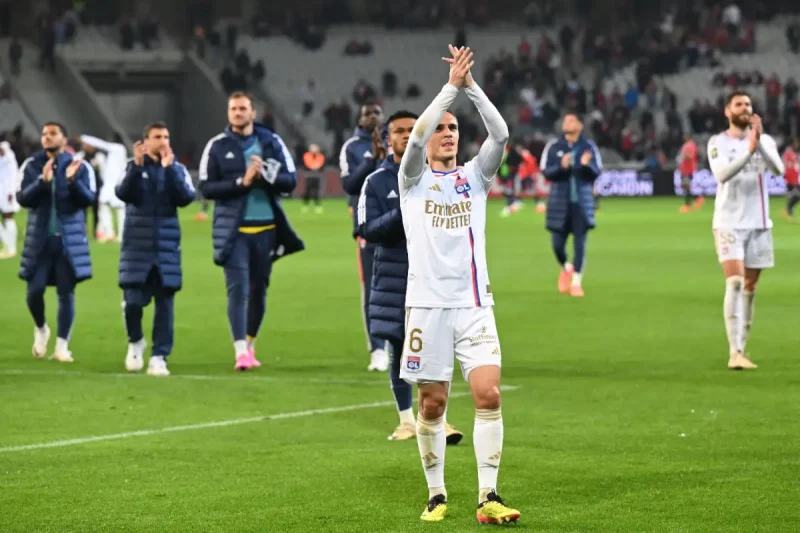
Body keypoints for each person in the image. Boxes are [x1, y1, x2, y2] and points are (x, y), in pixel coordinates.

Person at [397, 45, 519, 525]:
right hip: (427, 307)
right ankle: (436, 493)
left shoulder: (476, 177)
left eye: (454, 128)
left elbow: (501, 133)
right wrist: (449, 92)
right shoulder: (412, 180)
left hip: (474, 306)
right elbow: (416, 136)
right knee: (433, 402)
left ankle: (488, 495)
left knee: (488, 394)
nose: (447, 133)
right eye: (441, 129)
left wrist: (471, 89)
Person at [357, 109, 464, 445]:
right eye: (398, 131)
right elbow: (366, 230)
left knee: (437, 347)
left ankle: (438, 419)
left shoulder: (441, 176)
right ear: (388, 138)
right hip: (395, 275)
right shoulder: (376, 181)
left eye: (411, 129)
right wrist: (403, 210)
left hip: (436, 274)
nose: (405, 135)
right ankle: (406, 420)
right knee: (401, 347)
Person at [198, 91, 304, 371]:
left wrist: (266, 177)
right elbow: (206, 187)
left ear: (253, 113)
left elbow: (290, 180)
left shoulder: (270, 141)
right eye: (233, 109)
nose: (237, 113)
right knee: (238, 289)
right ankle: (240, 351)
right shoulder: (217, 146)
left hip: (266, 230)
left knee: (259, 291)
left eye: (243, 108)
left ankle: (250, 343)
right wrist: (241, 182)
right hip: (234, 232)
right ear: (228, 113)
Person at [707, 91, 784, 370]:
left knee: (750, 287)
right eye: (739, 104)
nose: (744, 108)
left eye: (748, 104)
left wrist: (759, 145)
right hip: (729, 222)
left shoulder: (766, 141)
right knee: (736, 282)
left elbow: (778, 170)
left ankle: (742, 347)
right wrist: (748, 152)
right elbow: (721, 175)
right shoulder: (717, 142)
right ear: (727, 111)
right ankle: (734, 351)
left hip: (760, 223)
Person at [116, 122, 196, 377]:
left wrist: (169, 169)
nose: (163, 141)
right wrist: (138, 168)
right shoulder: (132, 166)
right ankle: (135, 341)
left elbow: (186, 198)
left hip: (166, 248)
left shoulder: (177, 169)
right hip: (136, 247)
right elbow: (123, 194)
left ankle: (160, 356)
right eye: (157, 137)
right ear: (145, 141)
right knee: (132, 304)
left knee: (165, 304)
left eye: (166, 136)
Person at [17, 122, 95, 362]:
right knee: (34, 292)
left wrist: (72, 182)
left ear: (63, 138)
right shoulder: (32, 165)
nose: (47, 138)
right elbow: (23, 198)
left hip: (68, 242)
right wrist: (42, 182)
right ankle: (41, 328)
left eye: (52, 134)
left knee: (66, 293)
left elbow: (88, 199)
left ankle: (62, 346)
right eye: (44, 134)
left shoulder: (78, 166)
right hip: (39, 241)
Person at [339, 103, 389, 372]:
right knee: (372, 288)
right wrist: (371, 158)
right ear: (360, 119)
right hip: (368, 226)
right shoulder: (352, 148)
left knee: (405, 287)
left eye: (376, 114)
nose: (372, 118)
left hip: (399, 225)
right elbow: (349, 184)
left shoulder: (395, 142)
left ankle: (404, 345)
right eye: (367, 114)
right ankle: (378, 349)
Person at [540, 113, 602, 297]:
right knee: (557, 244)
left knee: (580, 244)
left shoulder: (588, 147)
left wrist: (585, 165)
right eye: (565, 120)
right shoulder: (553, 147)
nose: (567, 123)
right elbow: (545, 171)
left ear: (580, 126)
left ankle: (576, 281)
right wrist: (561, 165)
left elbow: (596, 171)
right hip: (559, 203)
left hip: (581, 202)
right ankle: (566, 267)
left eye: (572, 120)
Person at [80, 133, 128, 242]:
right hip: (110, 184)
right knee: (104, 207)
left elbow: (101, 144)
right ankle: (110, 232)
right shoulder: (114, 153)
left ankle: (119, 234)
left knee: (120, 210)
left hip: (116, 184)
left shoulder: (118, 148)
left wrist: (85, 138)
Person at [0, 140, 19, 259]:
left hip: (8, 193)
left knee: (9, 218)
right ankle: (7, 245)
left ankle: (12, 248)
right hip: (1, 193)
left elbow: (14, 177)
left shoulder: (10, 161)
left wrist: (11, 191)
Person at [678, 133, 703, 212]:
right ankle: (697, 198)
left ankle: (687, 205)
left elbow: (691, 156)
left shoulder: (691, 145)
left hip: (688, 169)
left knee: (686, 186)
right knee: (684, 186)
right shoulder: (686, 145)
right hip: (684, 169)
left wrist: (684, 156)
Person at [302, 143, 325, 214]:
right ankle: (305, 205)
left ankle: (317, 206)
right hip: (309, 175)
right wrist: (314, 166)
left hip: (317, 176)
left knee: (317, 191)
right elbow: (308, 163)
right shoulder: (306, 155)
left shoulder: (320, 156)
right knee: (307, 191)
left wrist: (315, 166)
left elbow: (320, 163)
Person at [781, 138, 799, 221]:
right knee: (796, 195)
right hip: (790, 178)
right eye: (795, 143)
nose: (797, 145)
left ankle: (787, 211)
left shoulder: (795, 154)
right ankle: (788, 211)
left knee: (794, 196)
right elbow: (788, 166)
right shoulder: (788, 154)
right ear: (792, 144)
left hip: (795, 178)